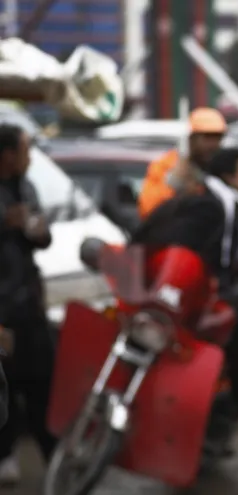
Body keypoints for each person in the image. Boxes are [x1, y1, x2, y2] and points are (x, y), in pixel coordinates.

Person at [132, 148, 238, 415]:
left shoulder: (223, 201)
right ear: (229, 176)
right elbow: (183, 252)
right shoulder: (209, 204)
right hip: (179, 297)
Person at [0, 124, 57, 484]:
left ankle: (57, 458)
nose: (29, 157)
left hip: (27, 304)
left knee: (43, 382)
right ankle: (4, 455)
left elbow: (42, 236)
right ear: (6, 154)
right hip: (2, 308)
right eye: (24, 150)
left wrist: (38, 230)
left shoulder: (25, 187)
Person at [138, 107, 227, 218]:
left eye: (217, 138)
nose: (213, 145)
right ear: (191, 139)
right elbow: (148, 209)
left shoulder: (220, 169)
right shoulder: (165, 165)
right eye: (207, 137)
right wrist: (177, 181)